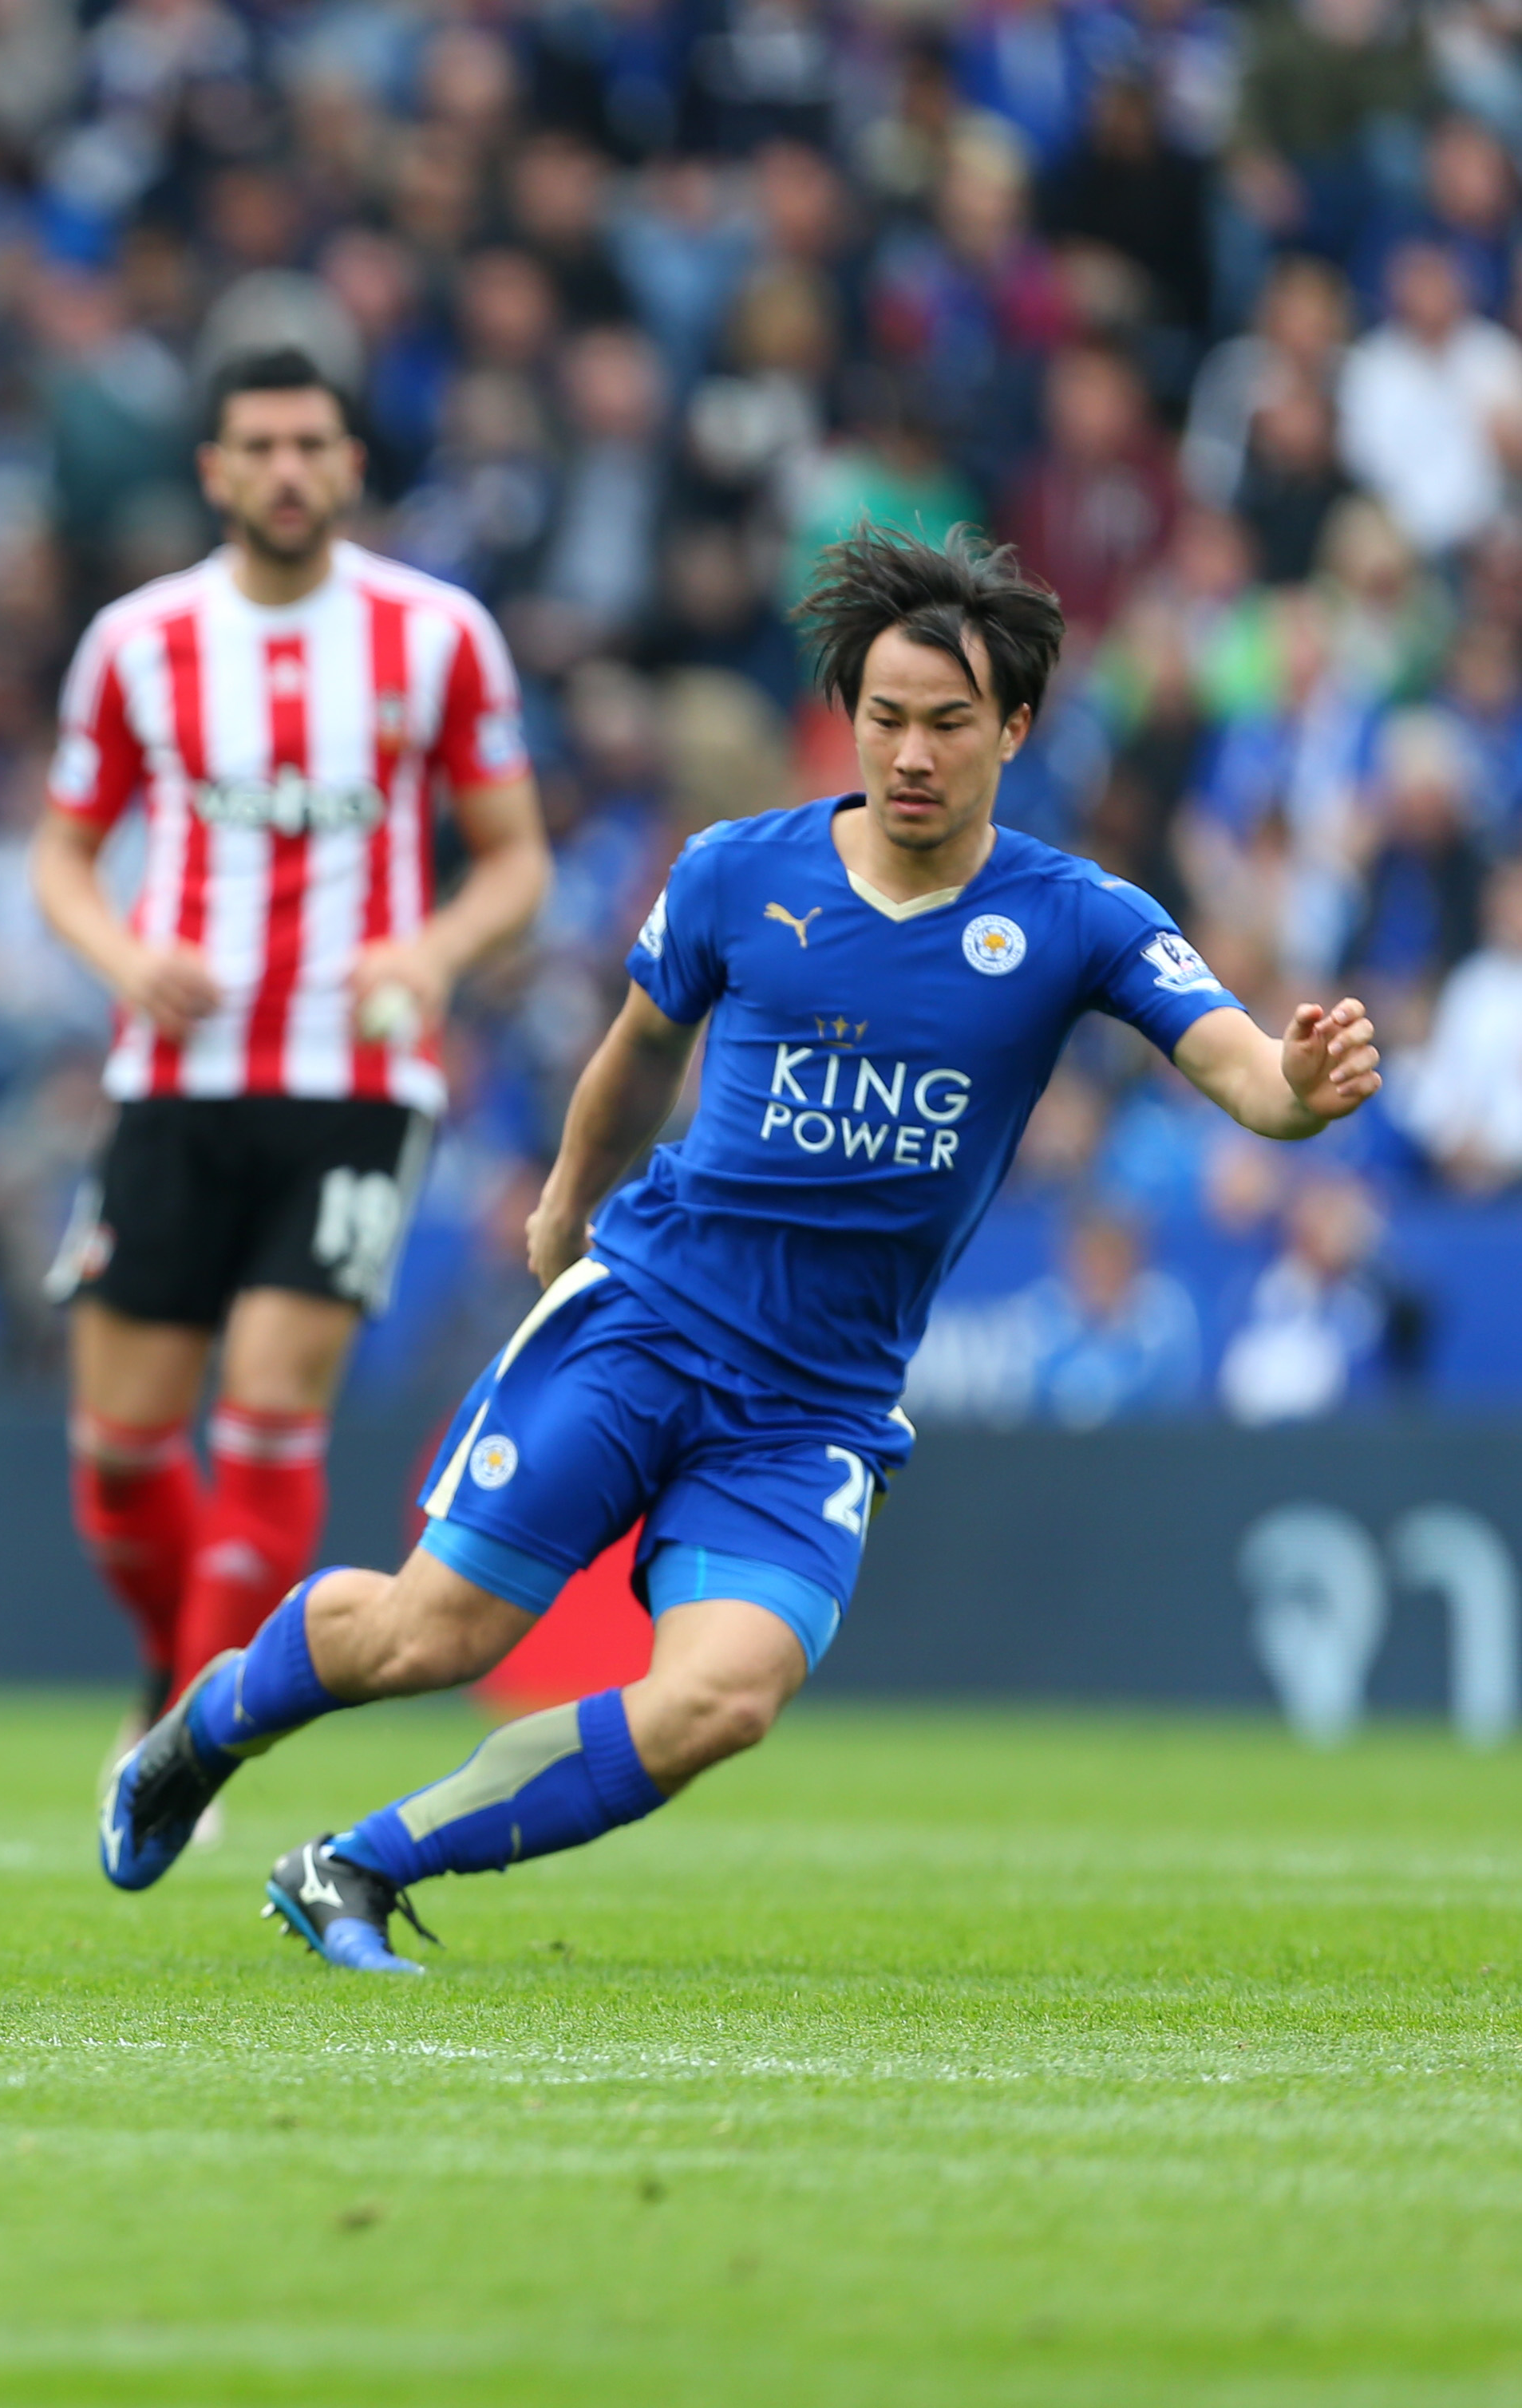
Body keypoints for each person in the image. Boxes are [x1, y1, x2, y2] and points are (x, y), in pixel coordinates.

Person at [101, 524, 1384, 1970]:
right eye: (883, 717)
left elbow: (1244, 1074)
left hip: (815, 1404)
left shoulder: (1076, 916)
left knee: (720, 1698)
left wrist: (1301, 1085)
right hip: (646, 1321)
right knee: (429, 1637)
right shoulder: (734, 872)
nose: (909, 753)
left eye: (947, 723)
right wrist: (564, 1202)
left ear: (1015, 729)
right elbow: (637, 1051)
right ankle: (205, 1724)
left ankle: (356, 1865)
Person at [30, 347, 548, 1744]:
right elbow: (61, 857)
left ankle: (188, 1740)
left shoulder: (433, 635)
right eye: (256, 445)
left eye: (310, 444)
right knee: (119, 1454)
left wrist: (429, 952)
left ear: (350, 465)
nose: (284, 469)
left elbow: (515, 861)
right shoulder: (137, 640)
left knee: (267, 1405)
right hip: (172, 1078)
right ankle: (176, 1672)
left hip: (355, 1083)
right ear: (213, 470)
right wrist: (125, 958)